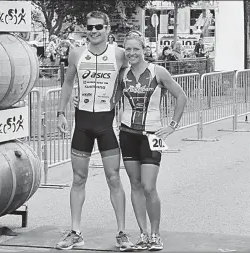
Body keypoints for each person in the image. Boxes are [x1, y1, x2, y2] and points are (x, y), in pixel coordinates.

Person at [56, 11, 134, 252]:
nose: (94, 31)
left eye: (99, 27)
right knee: (78, 179)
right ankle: (76, 232)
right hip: (82, 123)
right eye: (90, 27)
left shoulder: (119, 54)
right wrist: (60, 112)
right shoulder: (77, 53)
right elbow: (68, 82)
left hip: (105, 124)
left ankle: (122, 233)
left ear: (108, 28)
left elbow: (128, 78)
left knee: (114, 178)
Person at [118, 31, 187, 251]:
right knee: (135, 185)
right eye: (128, 49)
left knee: (149, 186)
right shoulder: (122, 73)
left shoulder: (158, 72)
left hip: (152, 136)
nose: (131, 53)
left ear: (143, 50)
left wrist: (172, 126)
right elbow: (112, 101)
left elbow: (181, 96)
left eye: (135, 49)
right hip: (127, 134)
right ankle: (143, 234)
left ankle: (156, 234)